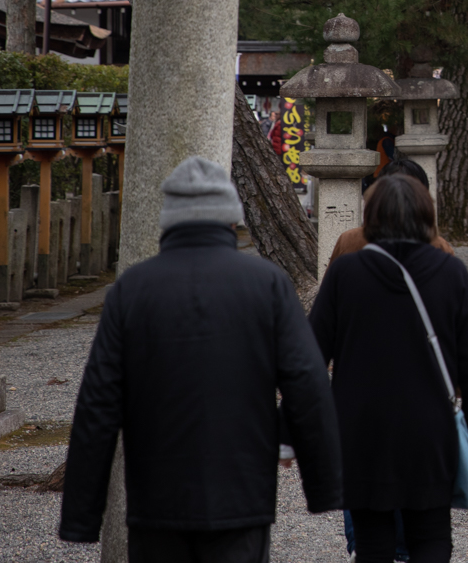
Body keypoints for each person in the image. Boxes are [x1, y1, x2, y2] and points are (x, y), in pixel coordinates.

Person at [61, 156, 341, 558]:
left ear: (169, 219)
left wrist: (81, 516)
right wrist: (323, 483)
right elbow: (307, 382)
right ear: (232, 218)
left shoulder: (133, 290)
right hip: (242, 489)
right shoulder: (266, 284)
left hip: (157, 494)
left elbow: (98, 403)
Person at [311, 174, 468, 563]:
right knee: (431, 535)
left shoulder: (346, 272)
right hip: (430, 425)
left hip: (360, 425)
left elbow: (310, 355)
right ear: (426, 214)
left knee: (372, 540)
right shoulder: (449, 270)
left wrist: (297, 428)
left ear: (370, 215)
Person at [333, 157, 453, 262]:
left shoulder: (350, 240)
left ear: (377, 193)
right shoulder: (438, 246)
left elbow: (330, 286)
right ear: (423, 195)